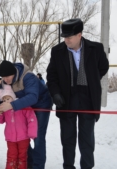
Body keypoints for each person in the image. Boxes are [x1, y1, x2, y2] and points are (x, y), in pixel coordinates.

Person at [46, 18, 109, 169]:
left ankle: (87, 167)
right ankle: (68, 166)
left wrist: (92, 81)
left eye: (69, 37)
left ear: (79, 35)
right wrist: (55, 94)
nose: (66, 40)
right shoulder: (57, 51)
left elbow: (103, 67)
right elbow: (51, 76)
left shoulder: (96, 49)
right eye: (64, 37)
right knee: (68, 138)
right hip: (66, 100)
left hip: (88, 99)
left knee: (86, 139)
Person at [0, 60, 53, 169]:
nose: (5, 80)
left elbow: (32, 97)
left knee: (37, 135)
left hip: (40, 104)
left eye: (8, 76)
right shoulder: (4, 82)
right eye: (3, 77)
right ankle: (28, 163)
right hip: (22, 106)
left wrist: (12, 105)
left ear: (14, 73)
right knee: (23, 136)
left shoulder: (28, 77)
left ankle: (38, 166)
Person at [0, 84, 38, 169]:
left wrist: (31, 133)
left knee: (22, 156)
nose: (6, 101)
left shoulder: (23, 107)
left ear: (13, 97)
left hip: (24, 138)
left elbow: (31, 119)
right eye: (4, 99)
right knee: (11, 156)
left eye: (8, 98)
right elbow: (0, 121)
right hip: (10, 138)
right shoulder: (4, 109)